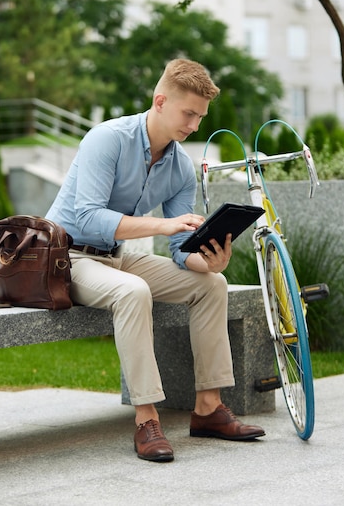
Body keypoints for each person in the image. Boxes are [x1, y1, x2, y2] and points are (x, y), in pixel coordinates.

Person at [46, 58, 265, 462]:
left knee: (212, 286)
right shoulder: (107, 139)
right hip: (65, 258)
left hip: (115, 257)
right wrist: (164, 227)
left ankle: (208, 409)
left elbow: (181, 250)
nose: (195, 125)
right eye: (189, 114)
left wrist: (208, 262)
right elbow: (88, 215)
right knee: (133, 292)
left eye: (200, 117)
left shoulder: (180, 166)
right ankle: (147, 420)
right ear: (161, 101)